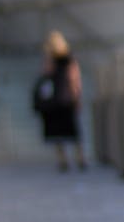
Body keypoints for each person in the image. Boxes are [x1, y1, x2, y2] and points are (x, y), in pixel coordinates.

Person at [33, 30, 86, 171]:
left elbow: (47, 77)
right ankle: (76, 158)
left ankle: (67, 159)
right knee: (68, 131)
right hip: (64, 100)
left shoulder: (60, 60)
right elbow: (74, 80)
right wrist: (76, 96)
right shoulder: (63, 60)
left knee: (63, 132)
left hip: (58, 101)